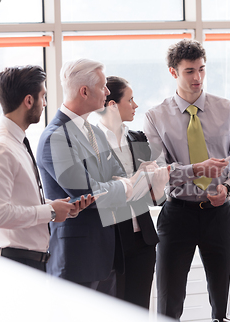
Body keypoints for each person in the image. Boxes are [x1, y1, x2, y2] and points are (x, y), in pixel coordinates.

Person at [143, 39, 230, 322]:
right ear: (172, 72)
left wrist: (227, 189)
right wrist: (196, 170)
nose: (197, 78)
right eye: (189, 71)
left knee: (224, 303)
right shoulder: (155, 117)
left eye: (201, 69)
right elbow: (158, 172)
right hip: (178, 214)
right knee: (168, 302)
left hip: (220, 213)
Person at [36, 59, 148, 296]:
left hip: (107, 255)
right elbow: (88, 191)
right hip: (77, 258)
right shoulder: (55, 136)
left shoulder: (94, 131)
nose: (107, 92)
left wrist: (117, 184)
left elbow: (115, 175)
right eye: (103, 86)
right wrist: (127, 186)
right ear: (84, 91)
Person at [0, 65, 92, 272]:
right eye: (43, 96)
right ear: (29, 101)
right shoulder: (0, 148)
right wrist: (49, 211)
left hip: (26, 262)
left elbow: (20, 201)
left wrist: (57, 208)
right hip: (13, 265)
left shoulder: (15, 142)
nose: (46, 103)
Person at [97, 76, 169, 308]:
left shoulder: (137, 138)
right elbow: (103, 192)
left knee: (139, 311)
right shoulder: (93, 142)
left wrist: (159, 183)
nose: (136, 105)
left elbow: (155, 198)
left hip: (143, 239)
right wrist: (136, 180)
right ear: (112, 105)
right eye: (131, 100)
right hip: (113, 239)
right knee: (114, 312)